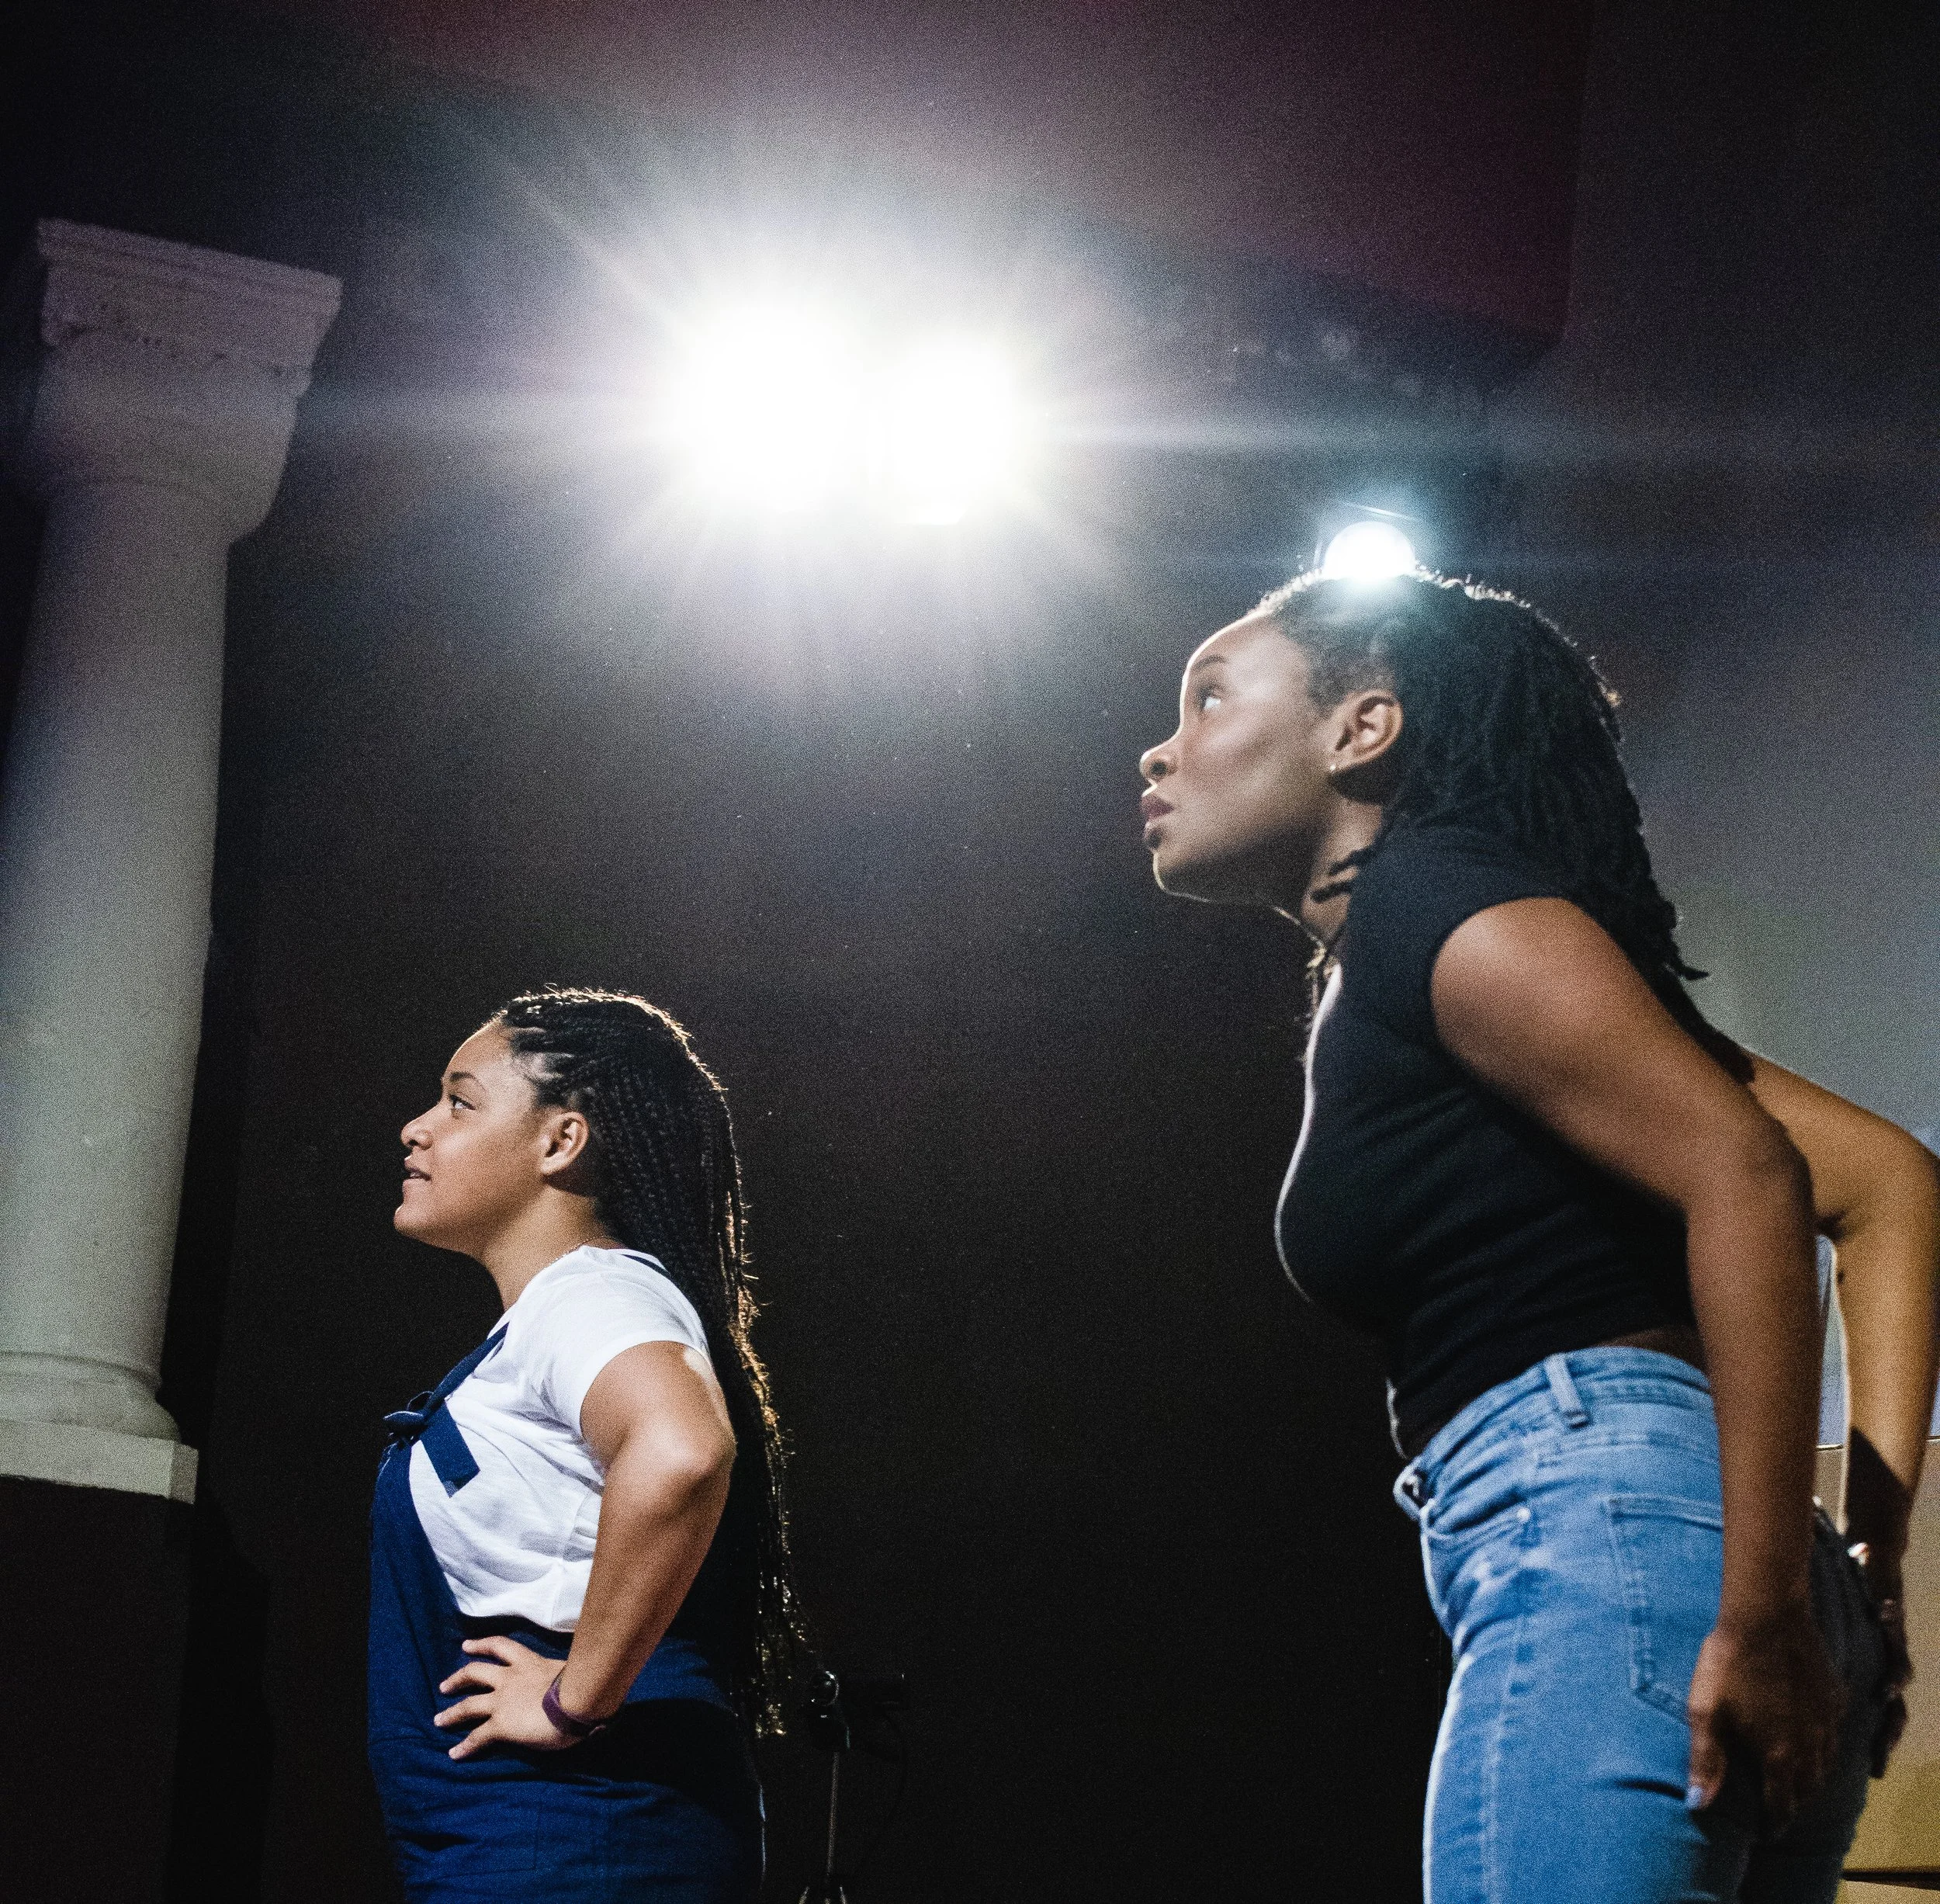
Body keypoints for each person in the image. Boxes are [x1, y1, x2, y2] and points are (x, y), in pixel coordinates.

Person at [1136, 571, 1940, 1902]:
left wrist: (1770, 1606)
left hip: (1613, 1536)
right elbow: (1890, 1181)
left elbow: (1751, 1172)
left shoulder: (1434, 909)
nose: (1162, 745)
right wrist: (1859, 1567)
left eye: (1211, 693)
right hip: (1719, 1553)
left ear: (1363, 728)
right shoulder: (1459, 939)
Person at [369, 987, 798, 1902]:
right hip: (542, 1839)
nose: (417, 1127)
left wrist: (573, 1697)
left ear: (561, 1141)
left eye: (459, 1100)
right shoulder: (553, 1318)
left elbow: (681, 1449)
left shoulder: (588, 1291)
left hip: (580, 1838)